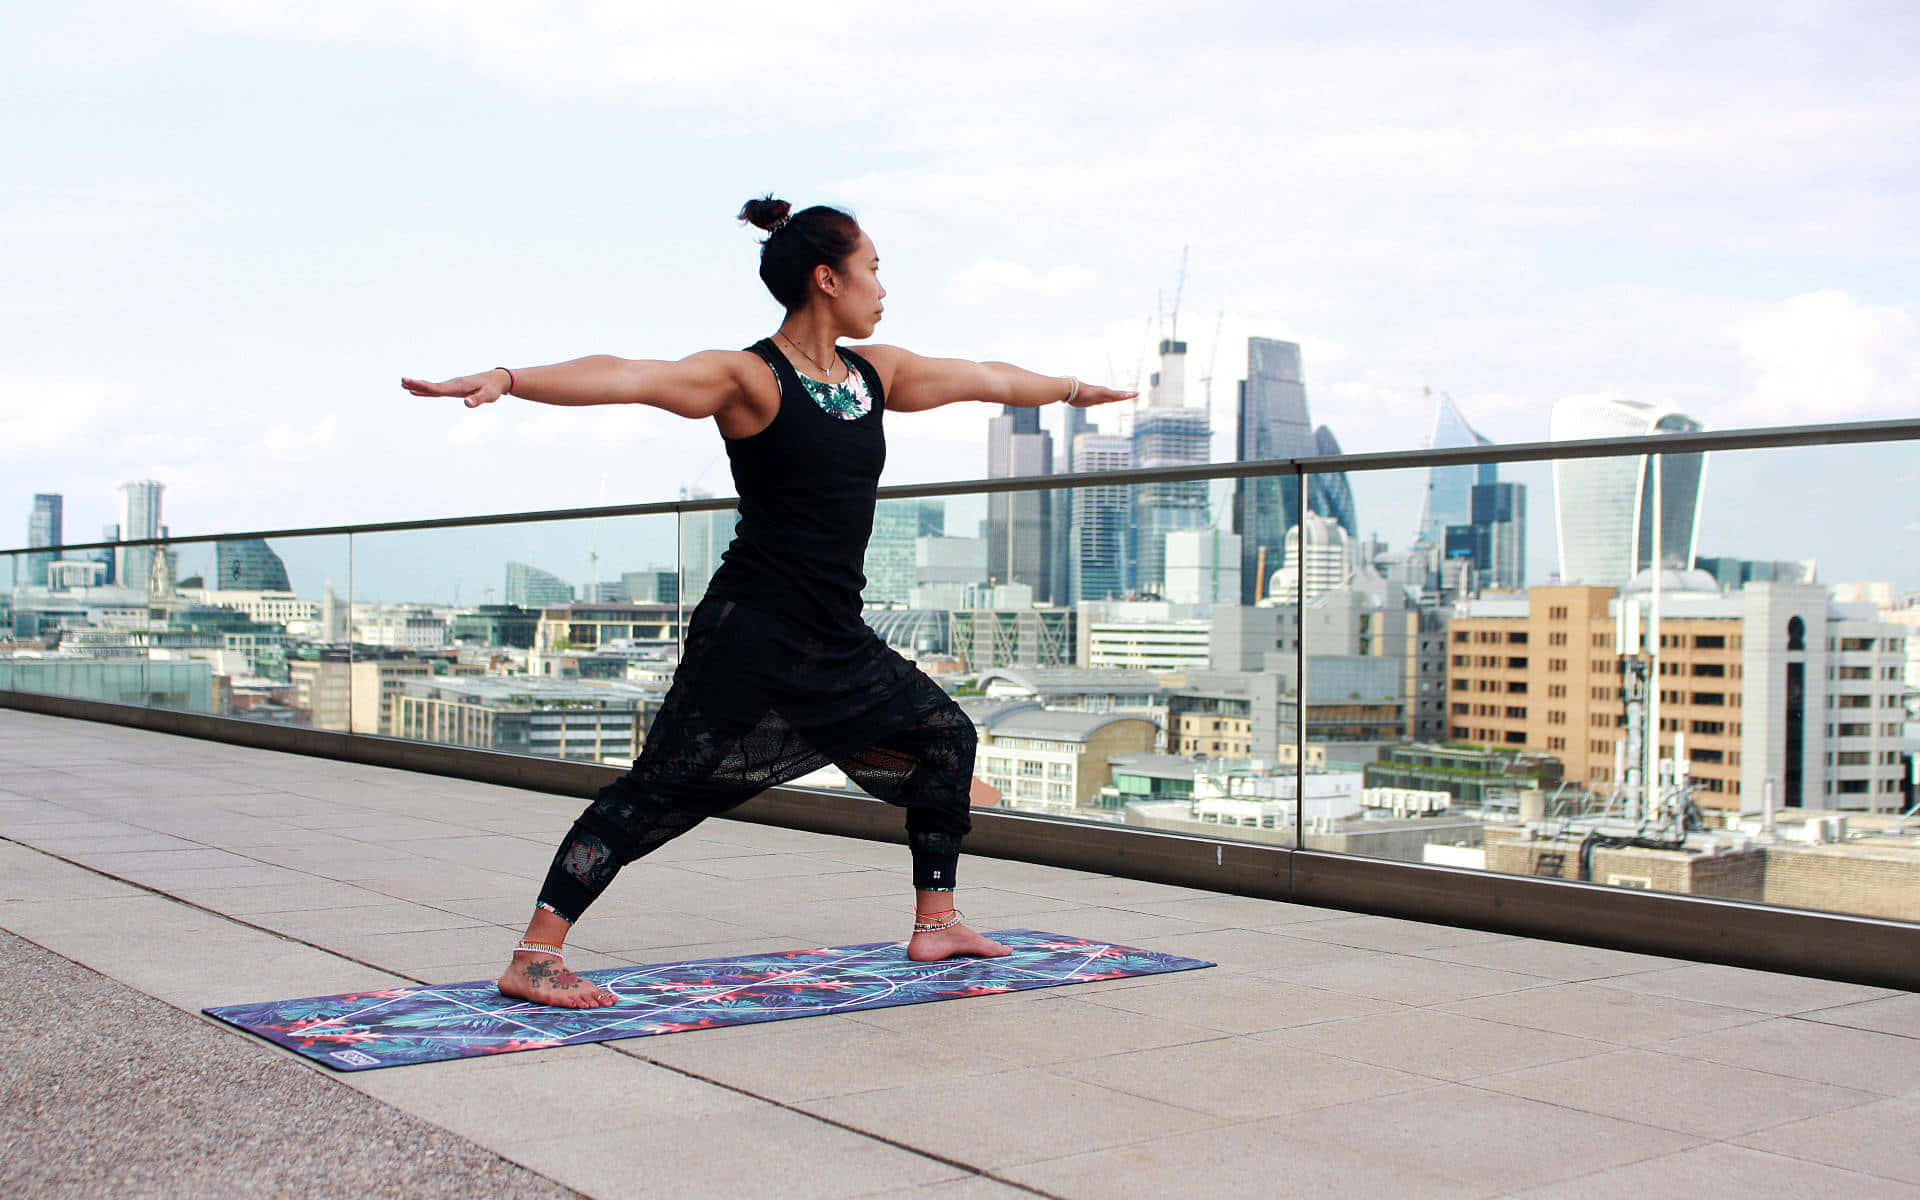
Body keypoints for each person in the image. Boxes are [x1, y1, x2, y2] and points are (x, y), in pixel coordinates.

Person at [402, 197, 1134, 1008]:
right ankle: (535, 955)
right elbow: (630, 375)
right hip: (752, 631)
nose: (883, 286)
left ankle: (937, 921)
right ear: (828, 279)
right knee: (660, 791)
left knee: (944, 737)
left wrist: (1074, 390)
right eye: (873, 268)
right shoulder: (750, 378)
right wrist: (509, 379)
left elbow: (985, 376)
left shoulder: (876, 374)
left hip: (834, 634)